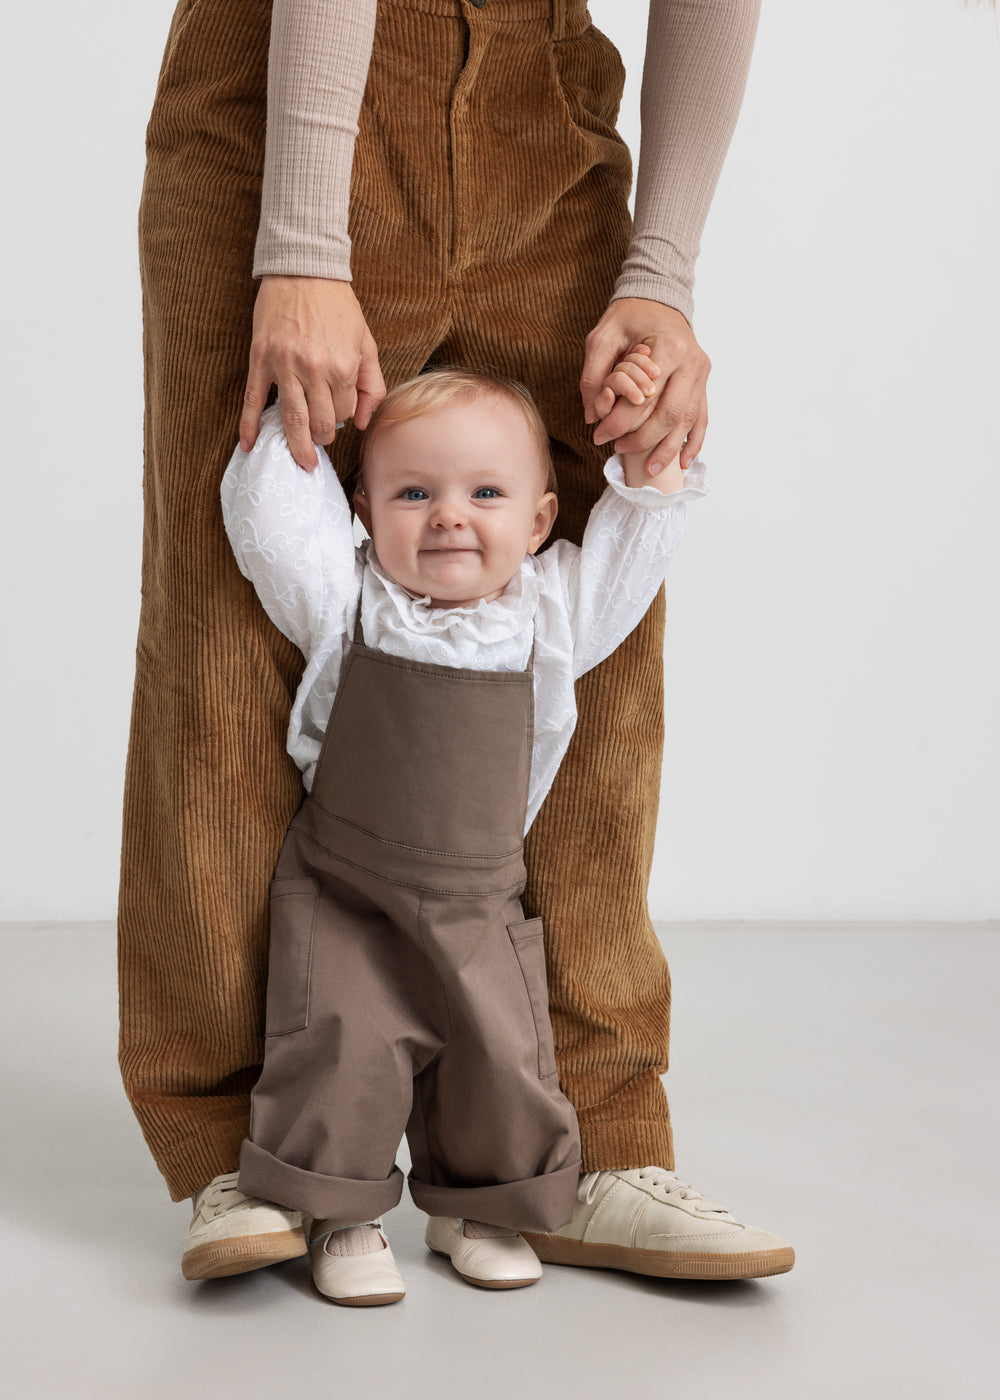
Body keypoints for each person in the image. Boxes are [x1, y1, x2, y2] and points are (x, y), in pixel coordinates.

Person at [122, 0, 791, 1284]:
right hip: (287, 90)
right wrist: (301, 236)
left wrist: (660, 275)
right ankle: (252, 1149)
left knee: (589, 609)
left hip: (545, 111)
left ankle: (581, 1143)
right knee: (229, 627)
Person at [216, 359, 723, 1303]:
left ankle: (478, 1209)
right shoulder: (351, 599)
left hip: (480, 895)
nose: (449, 516)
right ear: (363, 512)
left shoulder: (550, 610)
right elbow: (272, 526)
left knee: (500, 1057)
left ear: (538, 520)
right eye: (414, 493)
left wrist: (650, 480)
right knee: (340, 1044)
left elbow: (628, 569)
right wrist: (298, 416)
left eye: (486, 493)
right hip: (349, 890)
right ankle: (341, 1213)